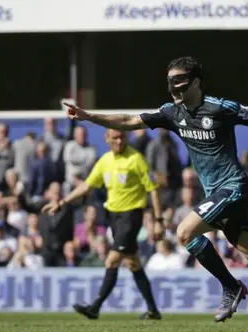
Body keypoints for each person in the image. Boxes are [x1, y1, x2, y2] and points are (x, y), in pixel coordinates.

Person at [63, 56, 248, 332]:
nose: (173, 88)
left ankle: (231, 286)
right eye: (169, 82)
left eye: (178, 81)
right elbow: (130, 120)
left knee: (184, 231)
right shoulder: (172, 113)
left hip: (235, 188)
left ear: (196, 82)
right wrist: (89, 116)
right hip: (217, 197)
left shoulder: (219, 107)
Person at [42, 129, 164, 320]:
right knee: (133, 263)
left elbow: (153, 189)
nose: (119, 140)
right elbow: (86, 186)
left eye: (122, 136)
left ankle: (95, 307)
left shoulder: (136, 159)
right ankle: (153, 310)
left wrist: (158, 221)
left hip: (131, 216)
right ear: (106, 139)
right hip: (114, 218)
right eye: (114, 137)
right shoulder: (105, 161)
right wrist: (62, 202)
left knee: (112, 260)